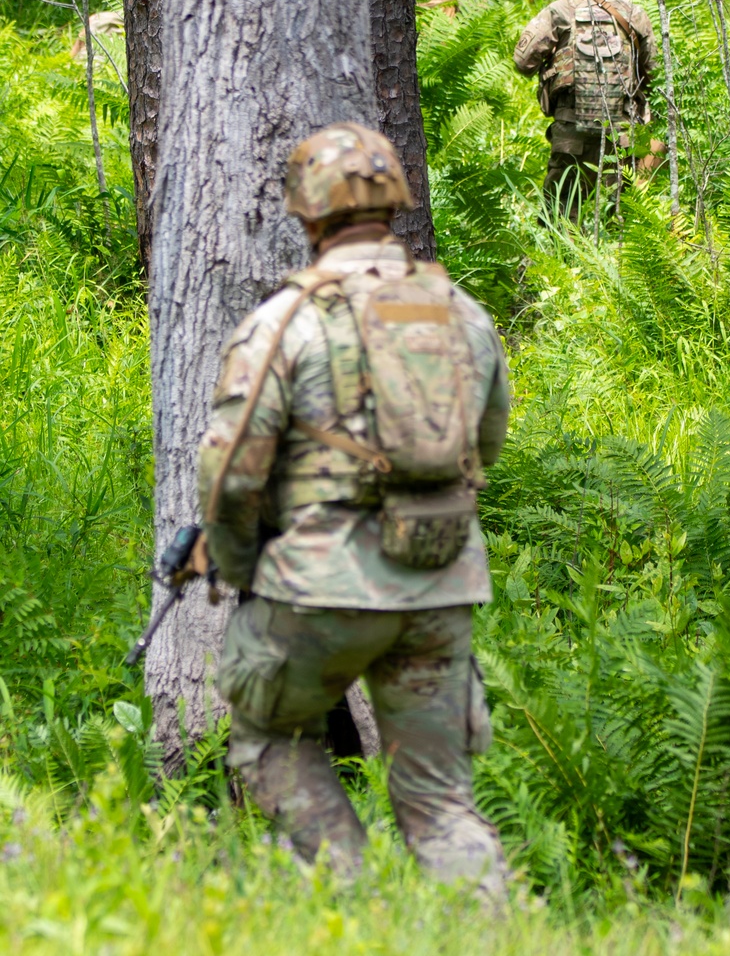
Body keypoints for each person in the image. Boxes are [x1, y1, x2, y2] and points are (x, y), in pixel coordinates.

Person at [198, 123, 509, 891]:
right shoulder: (459, 313)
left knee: (267, 734)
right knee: (441, 807)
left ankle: (347, 888)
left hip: (319, 589)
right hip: (441, 585)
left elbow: (231, 474)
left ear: (307, 212)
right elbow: (488, 441)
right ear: (396, 204)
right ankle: (489, 932)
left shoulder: (285, 322)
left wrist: (241, 568)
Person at [513, 0, 656, 215]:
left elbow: (523, 61)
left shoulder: (559, 11)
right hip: (620, 130)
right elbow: (651, 73)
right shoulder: (635, 14)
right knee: (624, 217)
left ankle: (562, 256)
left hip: (571, 127)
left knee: (562, 214)